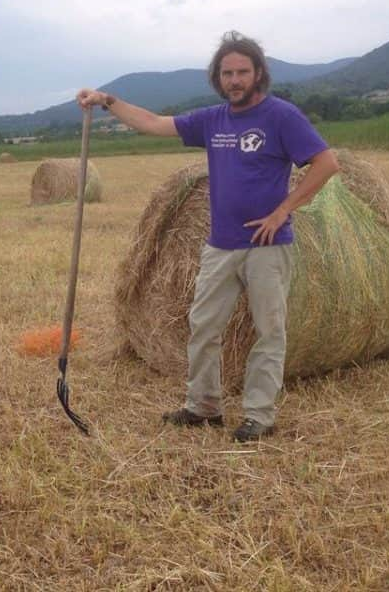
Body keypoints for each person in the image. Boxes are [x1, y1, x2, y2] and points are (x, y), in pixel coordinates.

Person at [77, 31, 340, 442]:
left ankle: (259, 414)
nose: (235, 80)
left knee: (269, 332)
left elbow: (327, 163)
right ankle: (203, 406)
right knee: (203, 327)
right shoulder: (212, 120)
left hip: (267, 248)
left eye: (242, 72)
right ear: (218, 77)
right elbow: (153, 123)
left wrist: (283, 210)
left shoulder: (281, 116)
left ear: (258, 74)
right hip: (220, 245)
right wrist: (108, 100)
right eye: (227, 73)